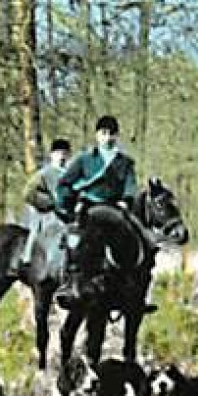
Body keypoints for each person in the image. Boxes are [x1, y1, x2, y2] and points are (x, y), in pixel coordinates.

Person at [53, 115, 139, 308]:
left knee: (138, 236)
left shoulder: (125, 162)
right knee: (73, 238)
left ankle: (133, 282)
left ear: (117, 136)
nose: (107, 137)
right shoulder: (84, 159)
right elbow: (64, 184)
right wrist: (67, 205)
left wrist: (126, 200)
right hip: (88, 208)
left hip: (114, 208)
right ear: (97, 135)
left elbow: (131, 185)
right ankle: (68, 281)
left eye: (111, 134)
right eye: (103, 133)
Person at [19, 138, 72, 267]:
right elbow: (28, 193)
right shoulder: (43, 174)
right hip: (47, 215)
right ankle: (27, 257)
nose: (62, 157)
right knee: (36, 233)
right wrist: (49, 203)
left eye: (65, 153)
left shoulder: (71, 174)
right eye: (58, 153)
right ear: (52, 155)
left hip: (67, 215)